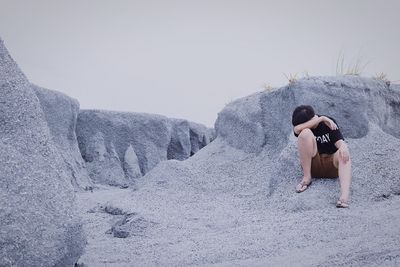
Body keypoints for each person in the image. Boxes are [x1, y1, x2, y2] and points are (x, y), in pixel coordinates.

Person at [292, 105, 352, 208]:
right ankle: (307, 178)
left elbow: (339, 143)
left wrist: (343, 146)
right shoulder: (313, 124)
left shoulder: (329, 123)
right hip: (314, 166)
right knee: (304, 134)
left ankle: (344, 196)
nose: (305, 125)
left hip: (332, 166)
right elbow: (297, 129)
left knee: (343, 151)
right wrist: (322, 118)